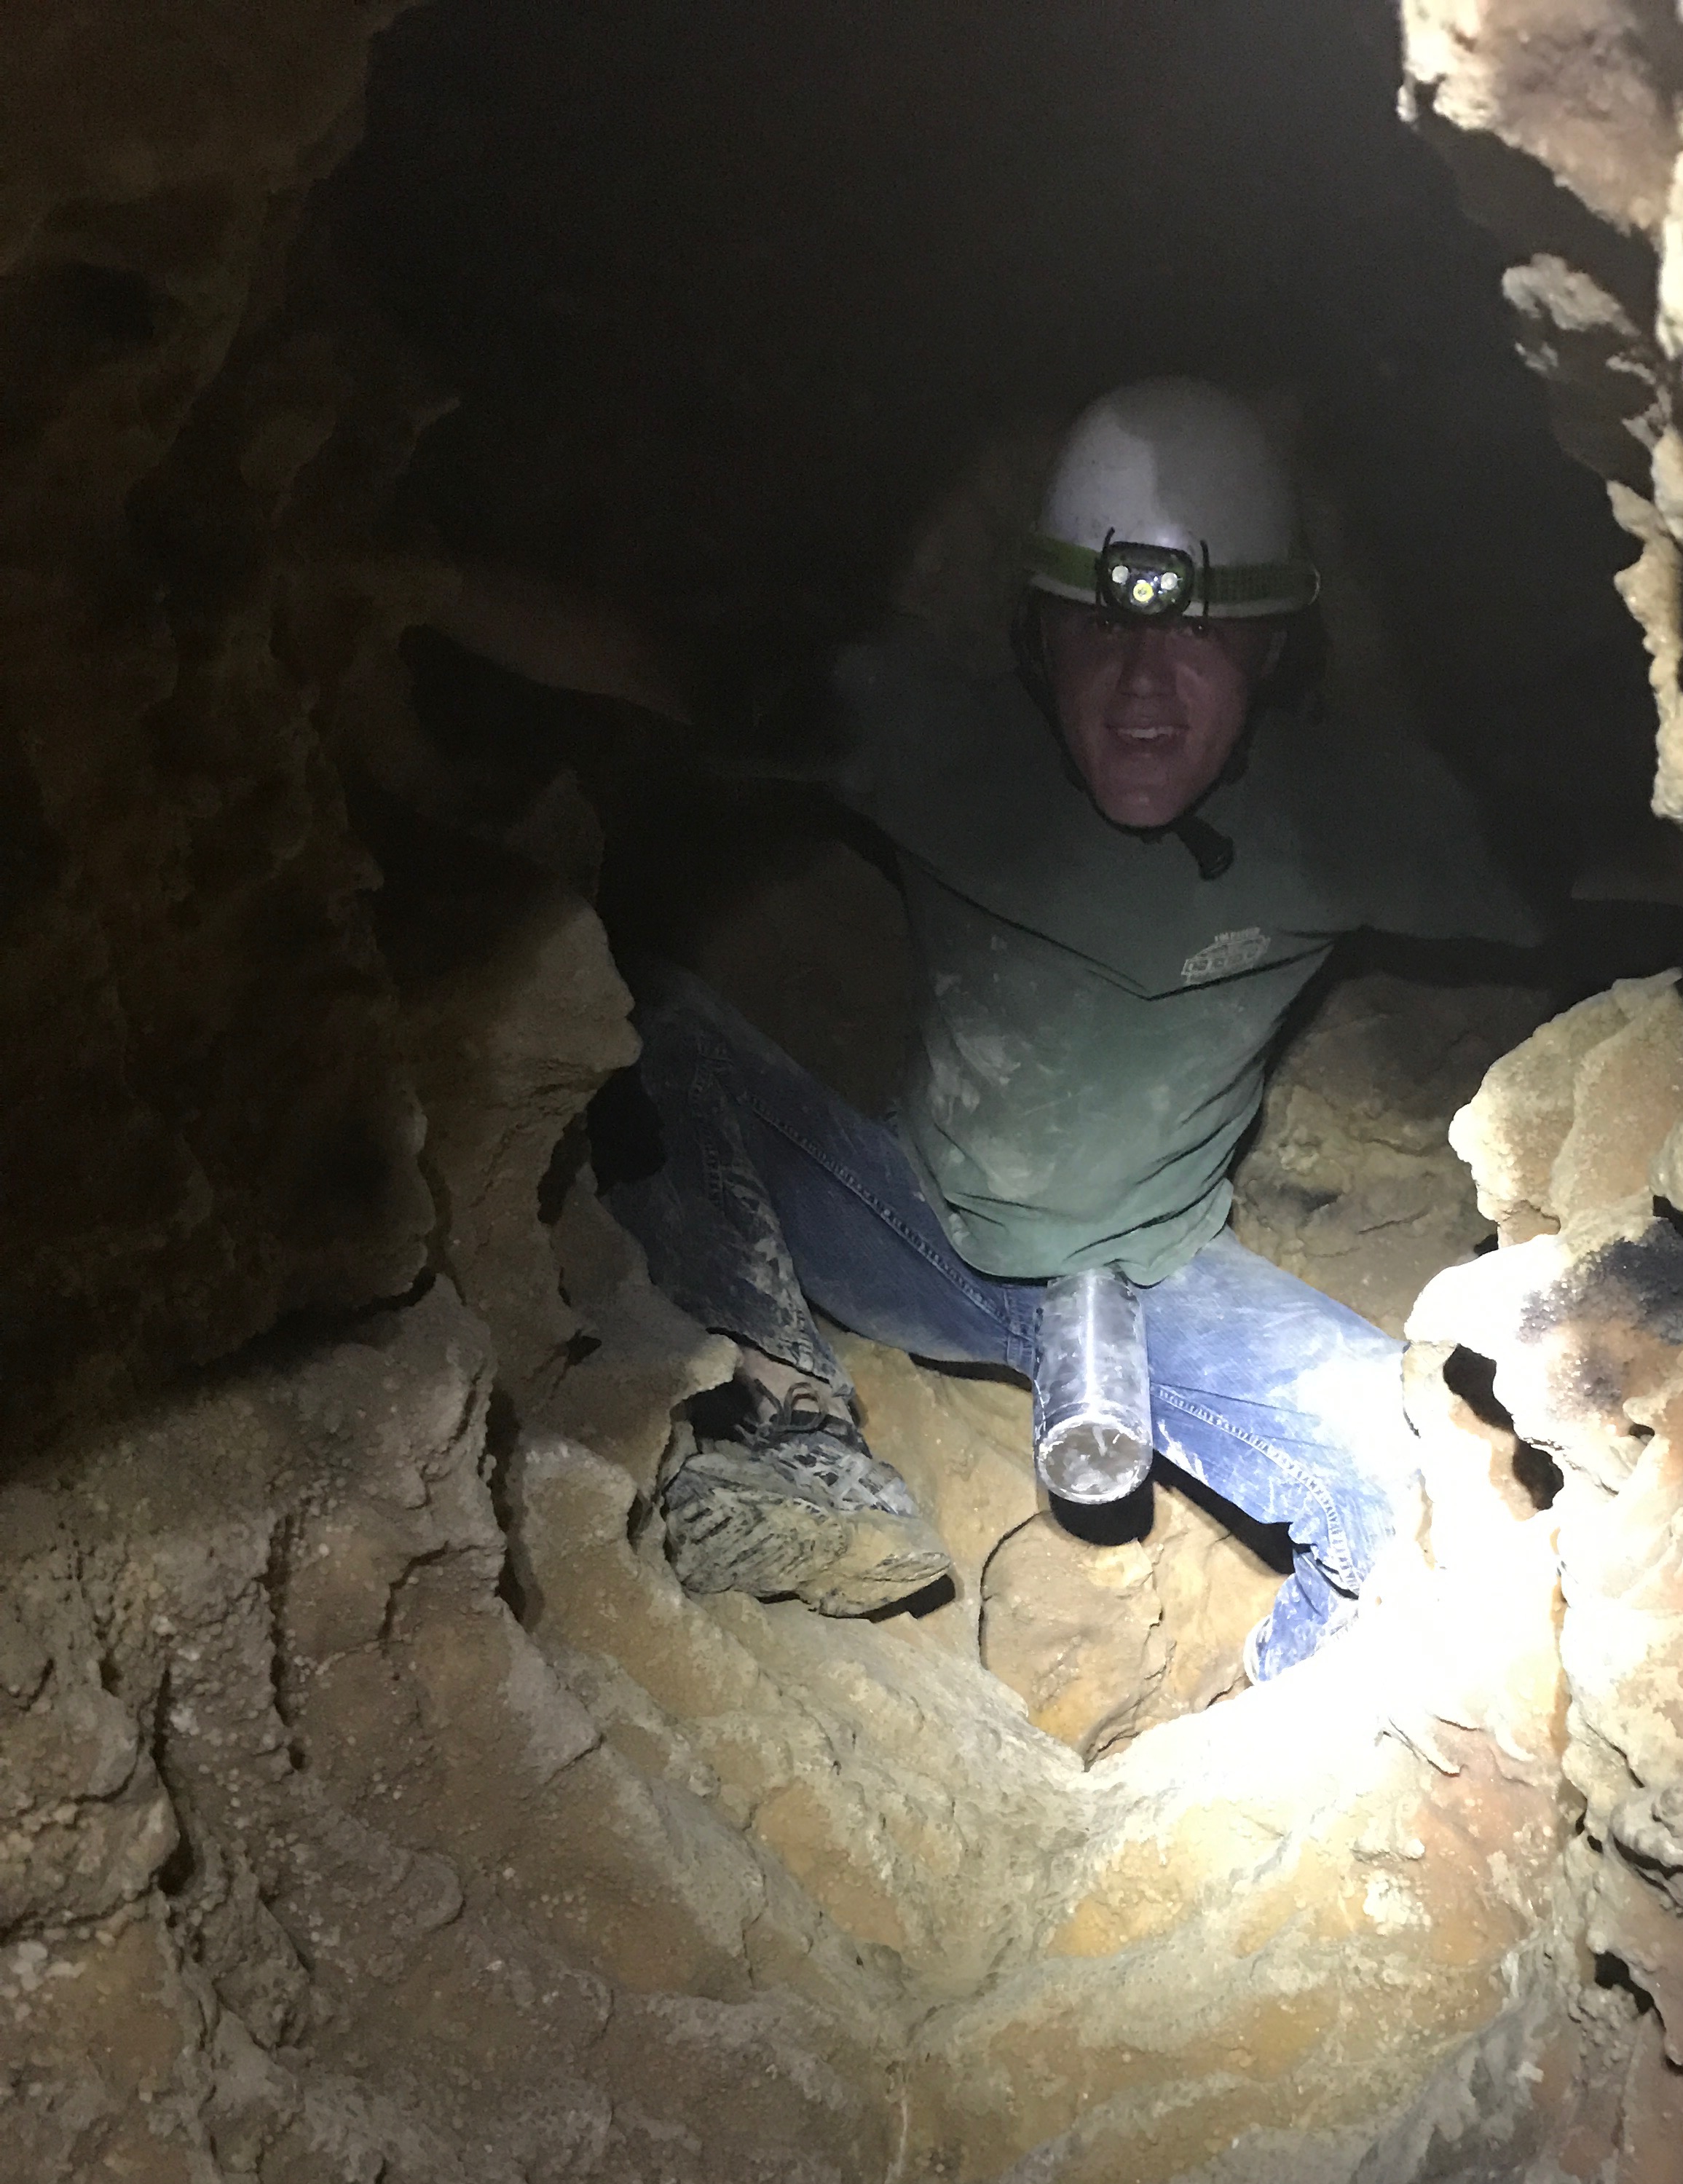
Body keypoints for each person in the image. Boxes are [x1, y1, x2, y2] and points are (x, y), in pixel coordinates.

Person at [435, 379, 1544, 1675]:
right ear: (1038, 636)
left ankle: (1257, 1766)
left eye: (1202, 633)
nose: (1142, 680)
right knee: (639, 1012)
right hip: (910, 1231)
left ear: (1273, 652)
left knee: (1420, 1484)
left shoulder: (1341, 817)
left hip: (1163, 1279)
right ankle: (795, 1428)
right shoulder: (947, 743)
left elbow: (1632, 840)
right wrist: (408, 580)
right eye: (1098, 624)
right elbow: (659, 661)